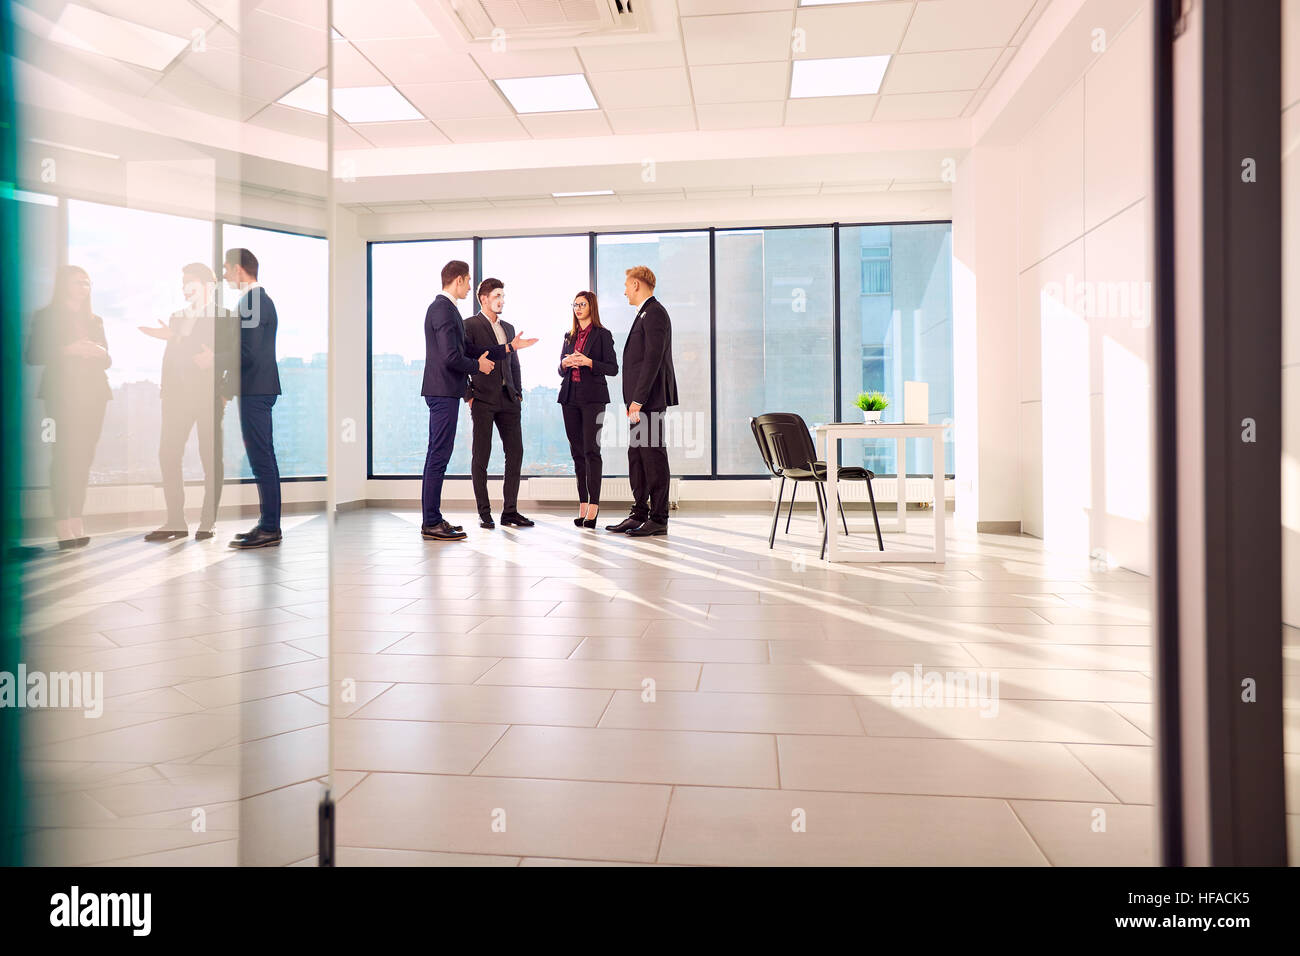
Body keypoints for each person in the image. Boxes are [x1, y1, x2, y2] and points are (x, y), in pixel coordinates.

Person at [420, 260, 535, 541]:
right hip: (444, 390)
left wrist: (507, 348)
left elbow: (469, 349)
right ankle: (431, 521)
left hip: (446, 390)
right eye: (468, 280)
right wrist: (477, 368)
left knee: (439, 455)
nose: (470, 286)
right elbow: (452, 356)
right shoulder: (444, 309)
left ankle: (433, 519)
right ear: (458, 280)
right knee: (438, 456)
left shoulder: (448, 310)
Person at [139, 263, 236, 542]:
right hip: (175, 396)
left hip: (208, 396)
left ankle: (208, 522)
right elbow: (173, 356)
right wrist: (166, 390)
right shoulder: (177, 317)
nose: (185, 289)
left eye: (190, 283)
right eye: (183, 284)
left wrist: (226, 393)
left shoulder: (226, 318)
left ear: (209, 286)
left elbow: (231, 356)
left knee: (210, 459)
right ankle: (175, 521)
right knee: (168, 454)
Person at [24, 265, 111, 549]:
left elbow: (108, 359)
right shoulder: (46, 317)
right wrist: (68, 350)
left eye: (87, 283)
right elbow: (33, 355)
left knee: (84, 459)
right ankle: (62, 522)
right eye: (78, 282)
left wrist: (99, 352)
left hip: (95, 395)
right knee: (63, 458)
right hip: (61, 396)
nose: (83, 287)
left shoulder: (95, 320)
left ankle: (76, 518)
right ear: (63, 285)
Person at [606, 265, 677, 537]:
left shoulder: (655, 313)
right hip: (638, 403)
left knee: (652, 456)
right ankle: (639, 513)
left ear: (637, 284)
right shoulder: (644, 314)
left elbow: (652, 359)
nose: (624, 291)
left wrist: (638, 399)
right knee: (637, 456)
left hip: (648, 401)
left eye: (626, 285)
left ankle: (658, 518)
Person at [223, 248, 283, 550]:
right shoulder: (255, 301)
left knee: (262, 458)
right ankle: (267, 524)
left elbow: (247, 353)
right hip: (257, 388)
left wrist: (215, 361)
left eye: (225, 269)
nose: (223, 275)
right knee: (262, 457)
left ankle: (270, 527)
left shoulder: (253, 302)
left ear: (237, 269)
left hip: (256, 390)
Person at [463, 278, 533, 530]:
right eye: (496, 296)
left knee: (515, 453)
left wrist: (519, 392)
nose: (501, 300)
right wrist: (468, 394)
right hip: (482, 398)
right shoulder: (469, 325)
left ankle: (510, 512)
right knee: (481, 455)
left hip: (509, 399)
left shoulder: (510, 328)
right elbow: (463, 360)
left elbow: (514, 363)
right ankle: (484, 512)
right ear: (483, 299)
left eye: (503, 296)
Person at [558, 291, 617, 529]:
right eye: (575, 304)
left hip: (593, 398)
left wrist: (588, 362)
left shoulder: (602, 335)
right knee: (577, 452)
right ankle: (583, 503)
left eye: (582, 304)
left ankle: (594, 505)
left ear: (591, 306)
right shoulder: (568, 336)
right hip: (570, 397)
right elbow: (560, 369)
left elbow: (613, 368)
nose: (578, 308)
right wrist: (565, 363)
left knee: (592, 450)